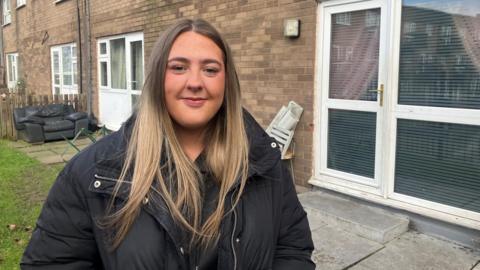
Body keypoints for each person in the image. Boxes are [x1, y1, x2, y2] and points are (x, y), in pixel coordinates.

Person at [21, 19, 315, 270]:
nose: (195, 82)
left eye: (210, 70)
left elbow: (292, 249)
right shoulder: (93, 174)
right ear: (157, 78)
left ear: (227, 83)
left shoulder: (263, 163)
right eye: (178, 67)